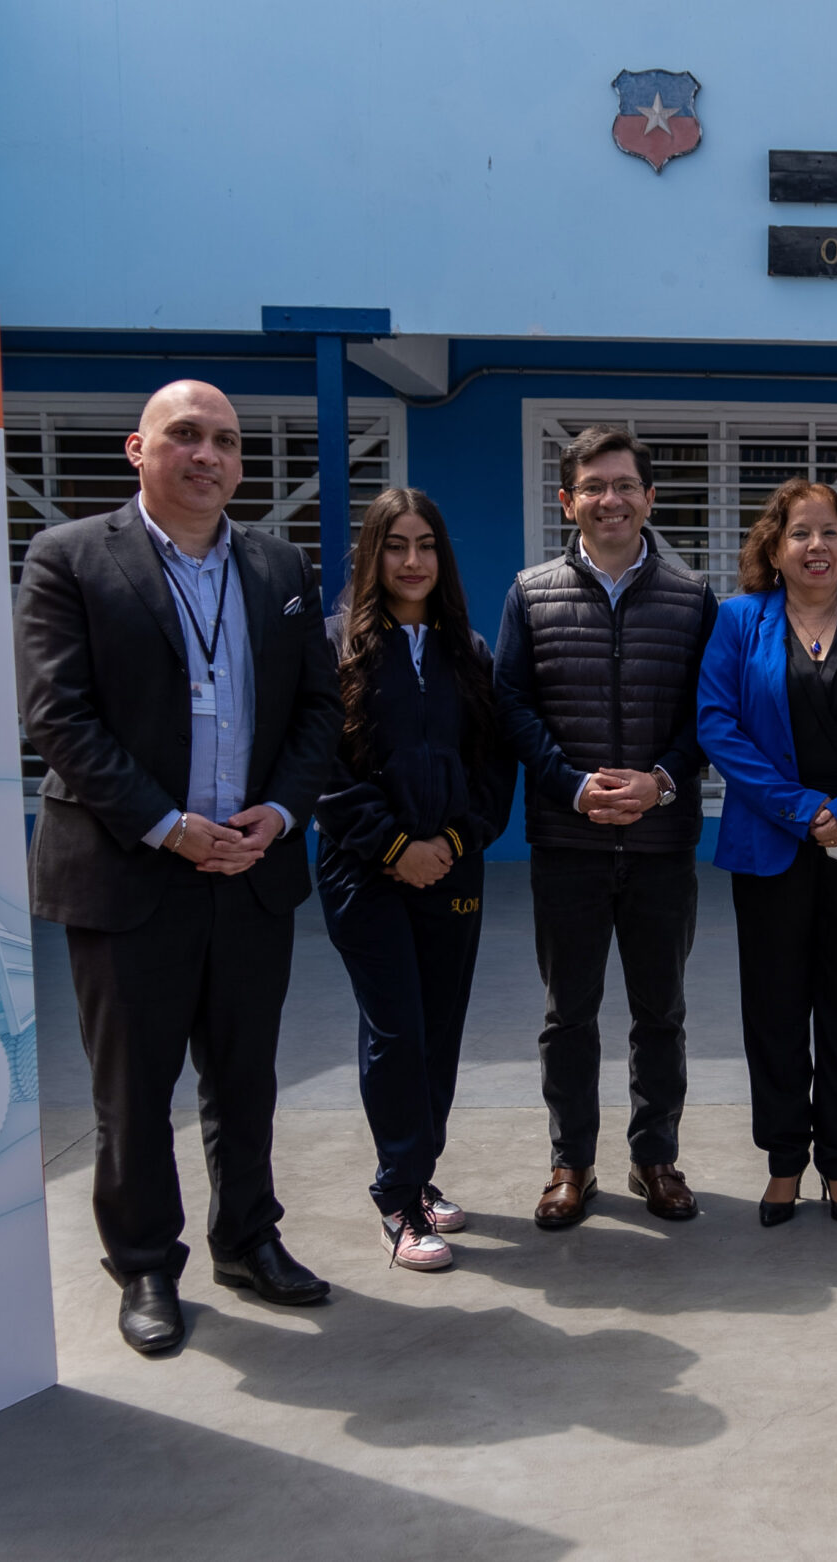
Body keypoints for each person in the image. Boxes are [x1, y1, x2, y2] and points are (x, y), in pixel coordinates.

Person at [15, 380, 341, 1356]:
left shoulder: (278, 564)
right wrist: (170, 826)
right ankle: (146, 1264)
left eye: (227, 441)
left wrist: (277, 815)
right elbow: (57, 716)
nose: (208, 454)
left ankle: (248, 1237)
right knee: (134, 1088)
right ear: (138, 448)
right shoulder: (68, 558)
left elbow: (318, 711)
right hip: (129, 872)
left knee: (244, 1077)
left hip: (250, 868)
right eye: (186, 435)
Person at [496, 426, 718, 1229]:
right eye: (593, 486)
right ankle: (572, 1162)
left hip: (662, 843)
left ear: (650, 498)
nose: (610, 499)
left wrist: (660, 781)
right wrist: (570, 783)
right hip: (569, 843)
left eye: (625, 485)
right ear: (569, 501)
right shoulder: (531, 592)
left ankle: (655, 1157)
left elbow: (710, 714)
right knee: (570, 1014)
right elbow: (511, 704)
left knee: (661, 1011)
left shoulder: (694, 597)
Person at [697, 480, 837, 1227]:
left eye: (829, 532)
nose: (816, 546)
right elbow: (717, 725)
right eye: (799, 533)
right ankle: (784, 1161)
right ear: (774, 547)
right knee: (773, 1008)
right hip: (772, 843)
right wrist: (804, 812)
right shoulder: (737, 622)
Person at [316, 489, 516, 1271]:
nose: (411, 561)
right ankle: (396, 1199)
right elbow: (325, 774)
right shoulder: (334, 646)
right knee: (396, 1030)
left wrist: (456, 840)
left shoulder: (468, 651)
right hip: (365, 872)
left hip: (452, 868)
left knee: (438, 1030)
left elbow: (493, 769)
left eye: (426, 545)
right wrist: (395, 844)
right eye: (394, 545)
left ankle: (419, 1176)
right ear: (372, 555)